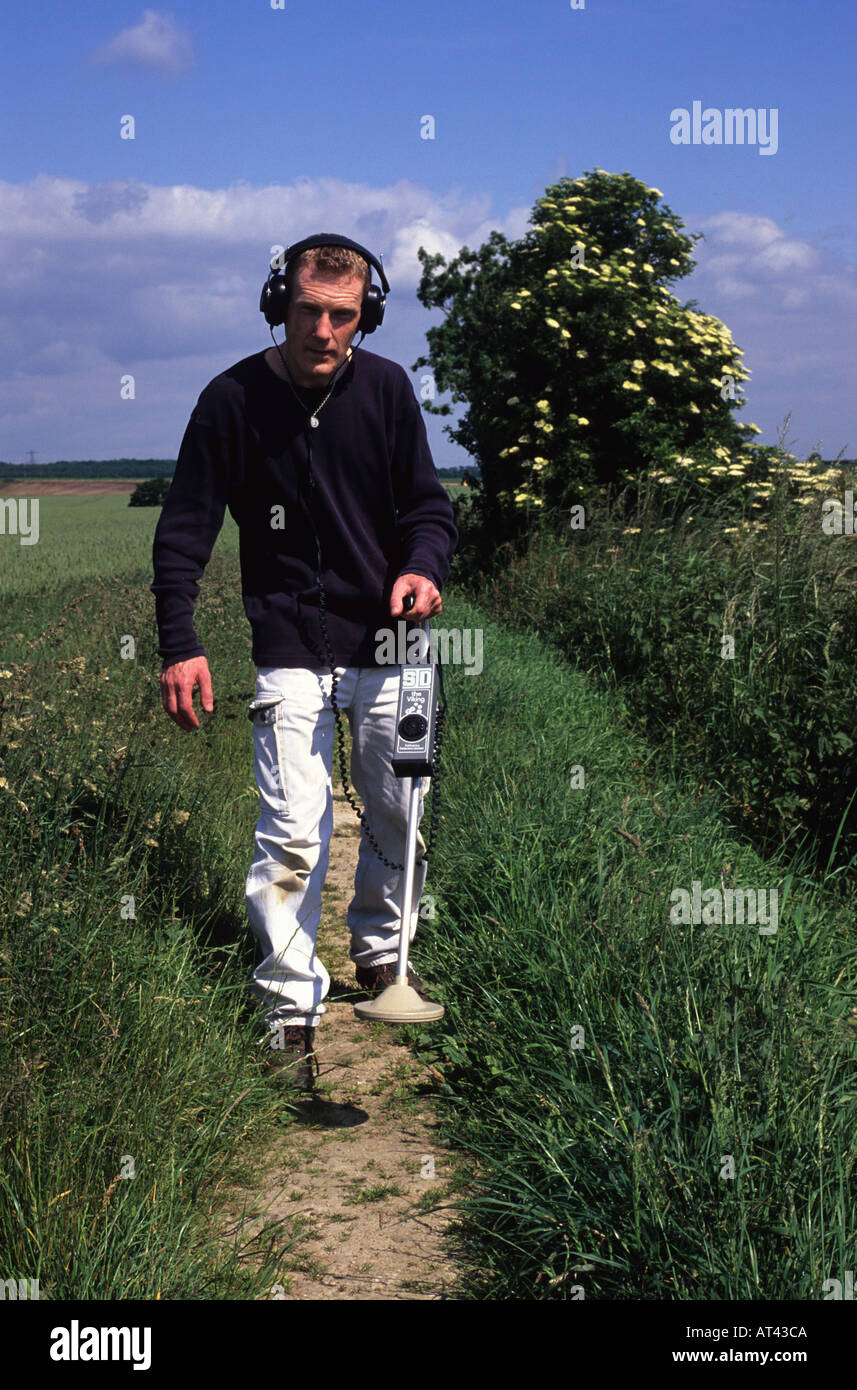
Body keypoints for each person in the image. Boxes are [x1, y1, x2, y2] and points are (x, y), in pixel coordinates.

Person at [150, 235, 458, 1091]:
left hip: (394, 642)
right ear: (278, 305)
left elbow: (429, 510)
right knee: (291, 833)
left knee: (399, 812)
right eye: (308, 311)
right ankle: (290, 1016)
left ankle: (381, 961)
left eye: (343, 315)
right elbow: (184, 532)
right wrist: (181, 642)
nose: (323, 330)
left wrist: (421, 569)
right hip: (289, 644)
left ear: (367, 315)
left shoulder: (389, 390)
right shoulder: (231, 400)